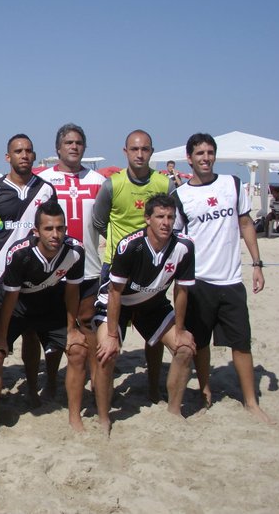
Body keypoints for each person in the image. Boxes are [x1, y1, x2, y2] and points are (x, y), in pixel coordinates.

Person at [172, 133, 270, 422]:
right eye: (199, 153)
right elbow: (177, 240)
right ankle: (204, 391)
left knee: (241, 342)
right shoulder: (181, 196)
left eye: (210, 152)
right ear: (189, 158)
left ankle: (251, 401)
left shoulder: (232, 184)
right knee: (200, 343)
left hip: (231, 280)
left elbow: (245, 223)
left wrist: (257, 264)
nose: (205, 158)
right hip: (199, 281)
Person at [95, 194, 196, 433]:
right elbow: (115, 292)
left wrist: (180, 329)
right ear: (147, 219)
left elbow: (181, 290)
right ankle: (103, 417)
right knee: (107, 353)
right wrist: (112, 335)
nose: (166, 222)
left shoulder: (184, 246)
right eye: (160, 217)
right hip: (117, 303)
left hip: (153, 303)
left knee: (185, 348)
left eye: (170, 217)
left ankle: (174, 411)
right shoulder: (130, 246)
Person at [0, 202, 85, 432]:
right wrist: (1, 335)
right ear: (36, 231)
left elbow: (72, 291)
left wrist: (72, 329)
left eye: (60, 228)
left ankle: (75, 417)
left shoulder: (75, 251)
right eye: (48, 229)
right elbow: (11, 296)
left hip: (48, 301)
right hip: (14, 303)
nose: (55, 234)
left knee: (78, 350)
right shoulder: (20, 253)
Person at [92, 130, 173, 402]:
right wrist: (122, 248)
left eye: (145, 149)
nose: (140, 154)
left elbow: (174, 220)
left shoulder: (164, 184)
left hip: (153, 269)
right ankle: (104, 395)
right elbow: (99, 221)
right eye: (134, 149)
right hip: (115, 268)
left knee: (154, 330)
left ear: (152, 152)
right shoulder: (112, 185)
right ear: (125, 151)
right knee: (111, 334)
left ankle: (153, 387)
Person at [0, 134, 57, 405]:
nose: (24, 155)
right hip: (0, 278)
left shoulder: (46, 190)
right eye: (18, 151)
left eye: (28, 151)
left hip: (34, 279)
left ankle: (32, 387)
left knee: (31, 334)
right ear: (7, 156)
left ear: (34, 155)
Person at [38, 124, 106, 392]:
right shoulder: (44, 181)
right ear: (58, 148)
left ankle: (93, 378)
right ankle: (52, 380)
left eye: (78, 142)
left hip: (89, 267)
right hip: (53, 269)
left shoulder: (98, 181)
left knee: (87, 322)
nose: (74, 147)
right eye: (68, 142)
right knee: (55, 326)